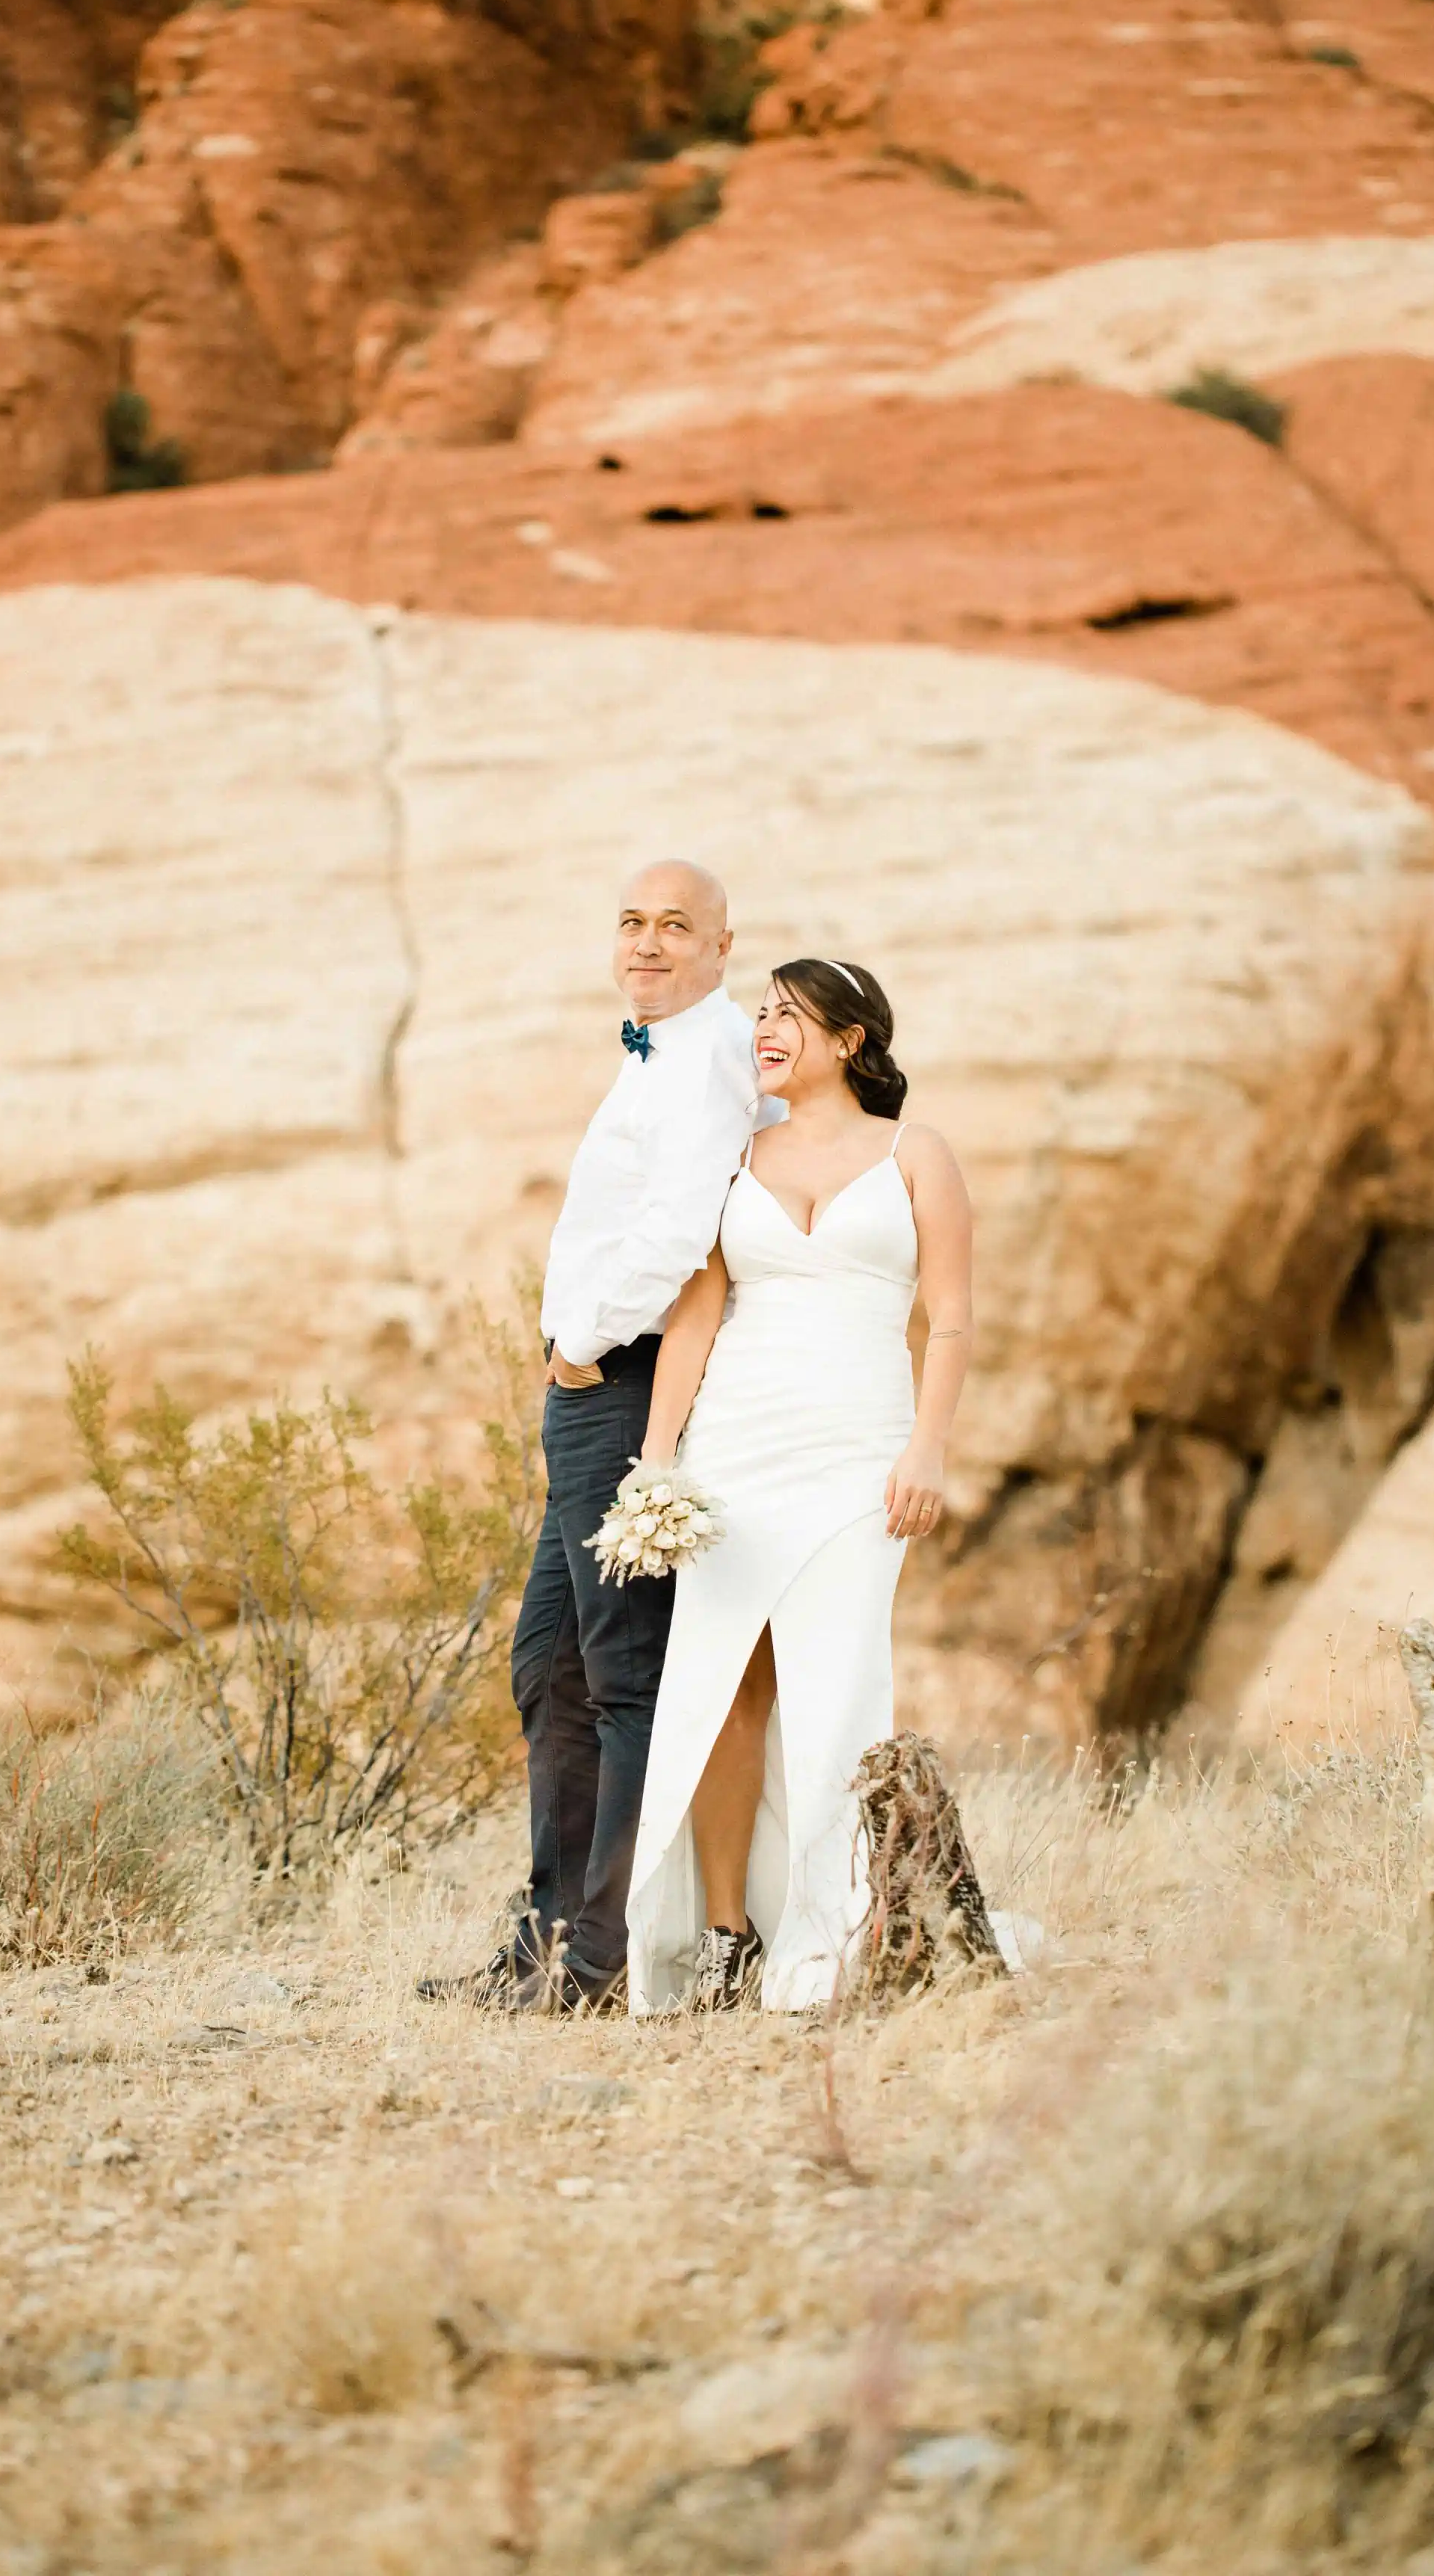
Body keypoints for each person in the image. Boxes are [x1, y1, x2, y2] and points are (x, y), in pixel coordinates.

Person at [423, 860, 764, 2012]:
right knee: (550, 1670)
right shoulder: (654, 1054)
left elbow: (679, 1230)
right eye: (632, 922)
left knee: (619, 1676)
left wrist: (582, 1346)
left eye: (677, 926)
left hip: (618, 1382)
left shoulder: (712, 1056)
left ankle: (596, 1963)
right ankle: (543, 1938)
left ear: (724, 945)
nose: (649, 943)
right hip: (589, 1384)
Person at [625, 959, 974, 2015]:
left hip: (861, 1450)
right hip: (737, 1445)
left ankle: (835, 1934)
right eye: (763, 1013)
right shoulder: (736, 1155)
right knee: (727, 1685)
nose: (765, 1029)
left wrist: (928, 1449)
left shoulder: (919, 1154)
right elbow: (695, 1317)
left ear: (852, 1039)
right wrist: (656, 1459)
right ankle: (727, 1932)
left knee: (840, 1685)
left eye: (789, 1015)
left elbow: (950, 1320)